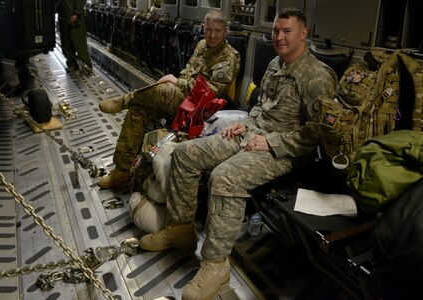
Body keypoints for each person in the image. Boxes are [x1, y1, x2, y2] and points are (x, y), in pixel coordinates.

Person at [137, 8, 337, 300]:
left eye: (287, 31)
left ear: (303, 33)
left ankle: (216, 267)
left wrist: (271, 143)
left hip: (287, 151)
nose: (279, 37)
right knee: (185, 154)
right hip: (252, 132)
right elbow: (263, 106)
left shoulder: (317, 77)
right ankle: (181, 229)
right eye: (276, 31)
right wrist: (245, 123)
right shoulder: (274, 65)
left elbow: (316, 133)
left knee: (224, 177)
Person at [97, 10, 241, 189]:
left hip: (200, 108)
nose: (212, 35)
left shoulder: (229, 56)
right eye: (208, 30)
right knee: (138, 111)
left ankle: (125, 100)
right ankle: (123, 170)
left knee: (162, 89)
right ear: (203, 29)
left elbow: (212, 92)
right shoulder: (202, 45)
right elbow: (189, 71)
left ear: (225, 31)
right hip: (184, 99)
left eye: (217, 31)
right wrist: (178, 82)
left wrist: (177, 82)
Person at [57, 0, 92, 72]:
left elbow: (80, 2)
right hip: (63, 18)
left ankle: (86, 65)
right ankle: (72, 64)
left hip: (75, 19)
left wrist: (76, 13)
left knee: (78, 41)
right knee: (67, 42)